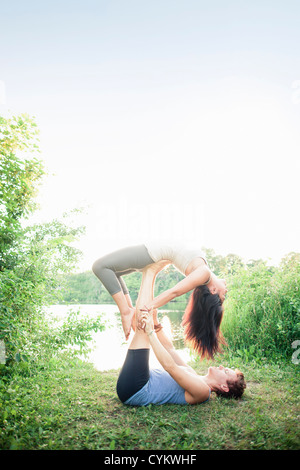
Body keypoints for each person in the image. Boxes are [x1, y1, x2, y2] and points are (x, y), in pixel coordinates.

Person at [92, 242, 228, 359]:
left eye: (223, 296)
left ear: (213, 291)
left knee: (100, 266)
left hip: (151, 252)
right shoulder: (203, 271)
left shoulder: (204, 273)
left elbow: (174, 292)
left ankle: (126, 312)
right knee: (113, 273)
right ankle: (128, 309)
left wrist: (148, 306)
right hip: (153, 252)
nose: (226, 291)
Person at [117, 307, 246, 406]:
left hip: (136, 389)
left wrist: (150, 332)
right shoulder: (192, 374)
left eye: (226, 371)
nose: (222, 366)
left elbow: (170, 367)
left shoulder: (203, 391)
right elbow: (170, 349)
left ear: (224, 387)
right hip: (139, 380)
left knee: (142, 322)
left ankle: (150, 273)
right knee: (142, 315)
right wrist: (156, 324)